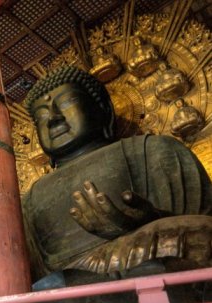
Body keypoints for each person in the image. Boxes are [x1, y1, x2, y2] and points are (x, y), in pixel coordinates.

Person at [22, 66, 212, 286]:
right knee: (45, 285)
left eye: (66, 103)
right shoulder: (30, 199)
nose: (53, 118)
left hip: (147, 256)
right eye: (42, 115)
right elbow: (31, 269)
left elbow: (203, 221)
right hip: (71, 284)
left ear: (103, 110)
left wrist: (153, 220)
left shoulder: (154, 149)